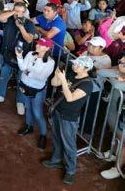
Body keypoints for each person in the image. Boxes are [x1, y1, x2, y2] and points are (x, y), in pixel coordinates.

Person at [42, 56, 94, 186]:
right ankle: (56, 160)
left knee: (69, 144)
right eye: (75, 63)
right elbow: (54, 83)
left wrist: (64, 80)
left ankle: (71, 170)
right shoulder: (71, 74)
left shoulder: (87, 84)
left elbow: (70, 98)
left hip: (69, 117)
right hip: (58, 111)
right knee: (57, 138)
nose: (74, 66)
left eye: (78, 65)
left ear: (86, 68)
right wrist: (56, 75)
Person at [0, 2, 36, 115]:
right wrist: (13, 12)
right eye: (16, 11)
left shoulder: (29, 24)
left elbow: (29, 39)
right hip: (7, 54)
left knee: (21, 80)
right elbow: (0, 18)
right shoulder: (9, 18)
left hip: (22, 58)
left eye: (20, 12)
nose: (18, 14)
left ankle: (20, 102)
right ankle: (0, 95)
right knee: (3, 76)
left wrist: (21, 27)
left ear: (24, 12)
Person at [16, 38, 55, 151]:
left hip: (37, 89)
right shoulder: (30, 54)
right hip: (25, 85)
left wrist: (27, 72)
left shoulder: (50, 62)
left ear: (47, 48)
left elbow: (41, 77)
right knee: (28, 107)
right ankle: (29, 126)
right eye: (38, 43)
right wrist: (19, 57)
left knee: (37, 113)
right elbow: (22, 67)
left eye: (41, 45)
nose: (37, 45)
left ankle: (43, 135)